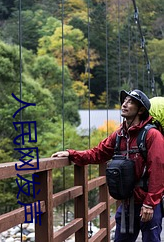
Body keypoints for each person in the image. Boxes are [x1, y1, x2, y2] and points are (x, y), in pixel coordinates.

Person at [51, 89, 164, 242]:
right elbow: (98, 153)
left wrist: (150, 204)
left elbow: (158, 170)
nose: (124, 104)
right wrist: (71, 154)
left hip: (147, 203)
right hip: (127, 203)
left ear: (141, 110)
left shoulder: (152, 135)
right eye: (124, 101)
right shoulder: (119, 135)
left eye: (130, 102)